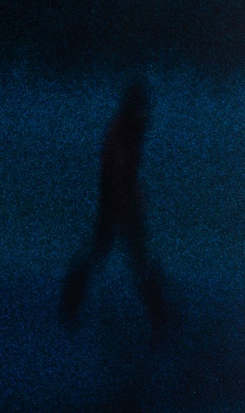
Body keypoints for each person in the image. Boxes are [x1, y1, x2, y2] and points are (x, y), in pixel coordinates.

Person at [60, 76, 168, 341]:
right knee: (131, 258)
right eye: (142, 106)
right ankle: (160, 315)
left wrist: (132, 195)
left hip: (118, 205)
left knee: (121, 256)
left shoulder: (128, 129)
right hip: (116, 206)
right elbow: (118, 170)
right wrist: (125, 201)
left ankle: (160, 313)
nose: (146, 112)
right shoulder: (123, 130)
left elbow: (123, 171)